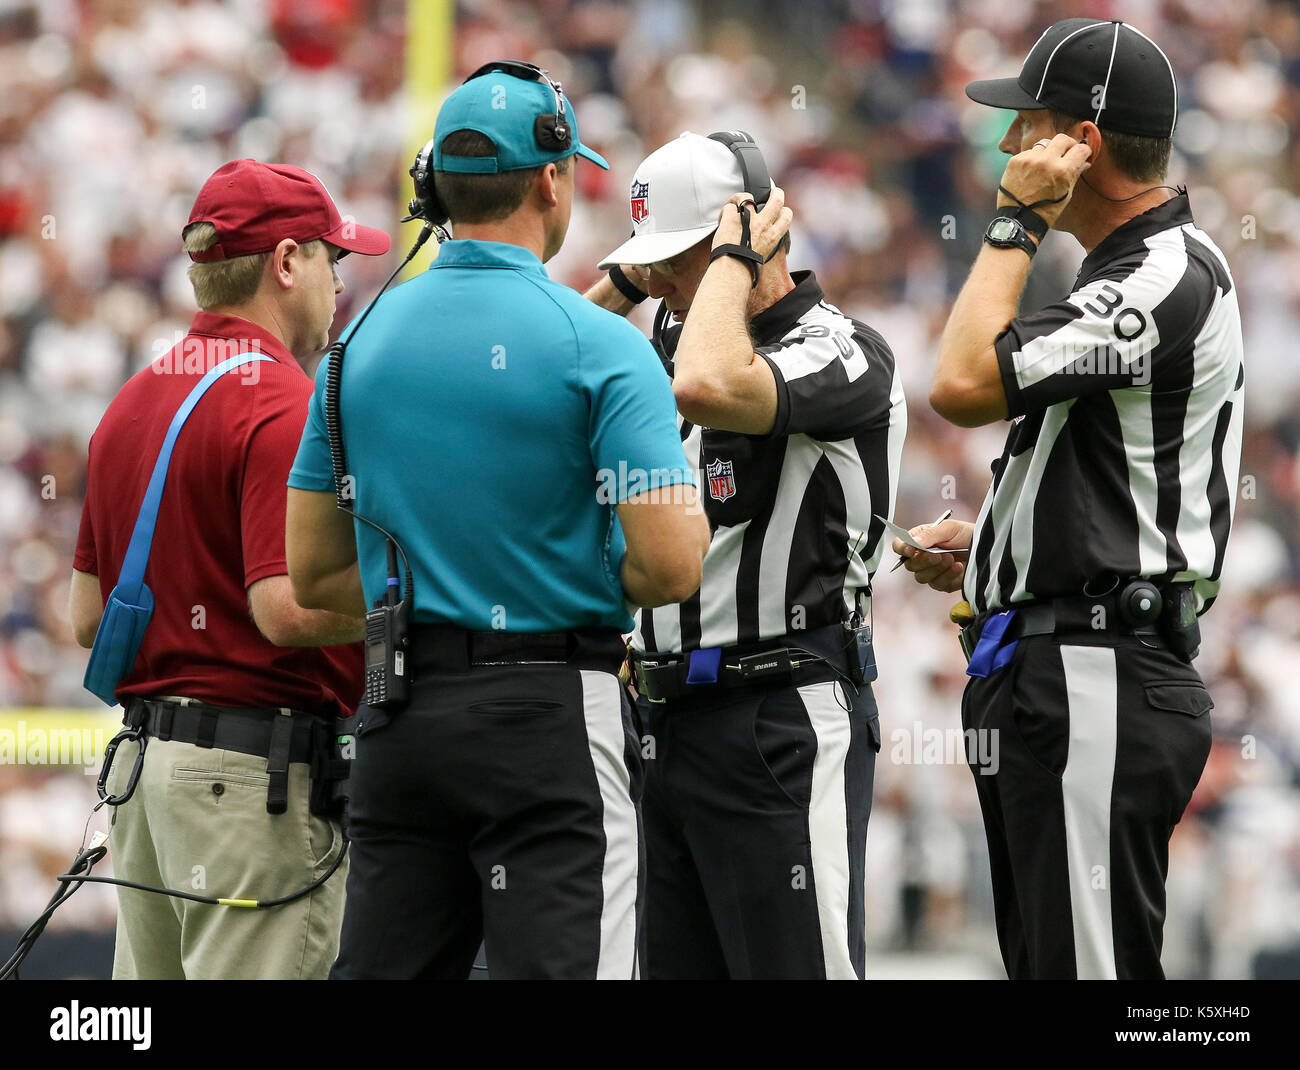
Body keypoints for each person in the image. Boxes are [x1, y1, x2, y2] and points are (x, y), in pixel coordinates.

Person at [286, 62, 709, 980]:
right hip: (550, 716)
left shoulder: (353, 346)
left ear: (434, 187)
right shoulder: (601, 344)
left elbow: (313, 577)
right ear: (552, 180)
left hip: (401, 718)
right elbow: (673, 565)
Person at [896, 18, 1245, 979]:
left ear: (1079, 144)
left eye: (1028, 125)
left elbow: (961, 382)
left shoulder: (1166, 271)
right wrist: (1003, 546)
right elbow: (1108, 480)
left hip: (1100, 674)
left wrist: (1015, 222)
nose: (1010, 148)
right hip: (1066, 666)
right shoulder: (1124, 271)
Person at [587, 131, 907, 979]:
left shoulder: (840, 348)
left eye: (674, 260)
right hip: (658, 726)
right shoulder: (670, 331)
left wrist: (728, 262)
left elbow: (708, 384)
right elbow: (540, 356)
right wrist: (628, 276)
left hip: (779, 717)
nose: (658, 283)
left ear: (752, 234)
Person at [69, 159, 392, 979]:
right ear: (287, 263)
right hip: (250, 786)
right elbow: (283, 609)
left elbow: (85, 618)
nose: (339, 283)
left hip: (145, 781)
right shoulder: (284, 399)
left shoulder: (134, 397)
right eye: (332, 258)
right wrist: (414, 609)